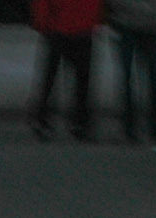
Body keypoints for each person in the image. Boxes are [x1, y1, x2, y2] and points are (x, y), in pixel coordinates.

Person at [28, 0, 102, 139]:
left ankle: (44, 120)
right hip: (80, 29)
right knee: (81, 80)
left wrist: (42, 23)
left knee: (50, 79)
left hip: (59, 28)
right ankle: (79, 122)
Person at [108, 0, 156, 142]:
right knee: (129, 79)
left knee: (150, 80)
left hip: (146, 27)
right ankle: (131, 128)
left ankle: (150, 127)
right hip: (129, 26)